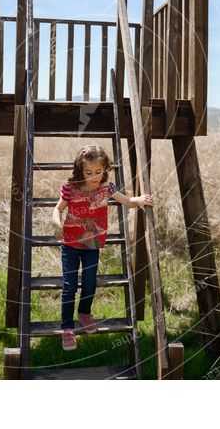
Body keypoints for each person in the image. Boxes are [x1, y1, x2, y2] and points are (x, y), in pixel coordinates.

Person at [51, 144, 154, 351]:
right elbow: (58, 209)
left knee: (90, 281)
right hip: (70, 244)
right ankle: (67, 329)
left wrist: (139, 200)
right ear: (81, 170)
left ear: (104, 169)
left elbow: (127, 201)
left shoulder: (107, 188)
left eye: (98, 172)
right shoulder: (71, 189)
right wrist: (56, 223)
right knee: (70, 285)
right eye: (89, 172)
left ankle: (84, 313)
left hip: (92, 244)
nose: (94, 176)